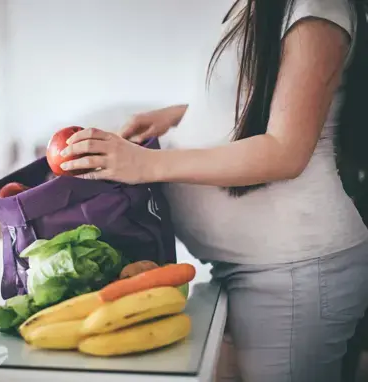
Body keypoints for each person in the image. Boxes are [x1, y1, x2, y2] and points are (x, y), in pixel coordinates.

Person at [59, 0, 368, 381]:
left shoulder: (318, 9)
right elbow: (261, 93)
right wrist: (177, 116)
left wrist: (144, 164)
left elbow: (286, 151)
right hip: (253, 264)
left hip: (294, 269)